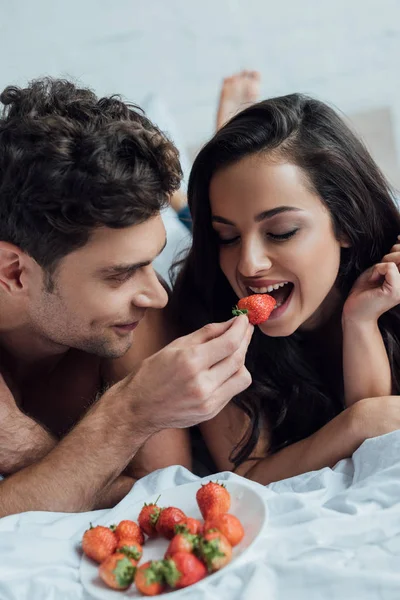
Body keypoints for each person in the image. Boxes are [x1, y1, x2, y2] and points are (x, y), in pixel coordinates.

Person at [0, 77, 253, 517]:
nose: (155, 295)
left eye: (148, 262)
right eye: (120, 274)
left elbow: (160, 498)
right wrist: (129, 415)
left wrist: (37, 451)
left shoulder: (137, 318)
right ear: (14, 272)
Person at [170, 92, 400, 485]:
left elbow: (383, 441)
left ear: (346, 223)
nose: (247, 265)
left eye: (281, 232)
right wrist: (356, 422)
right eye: (226, 236)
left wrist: (360, 321)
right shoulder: (205, 305)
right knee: (190, 221)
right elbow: (245, 474)